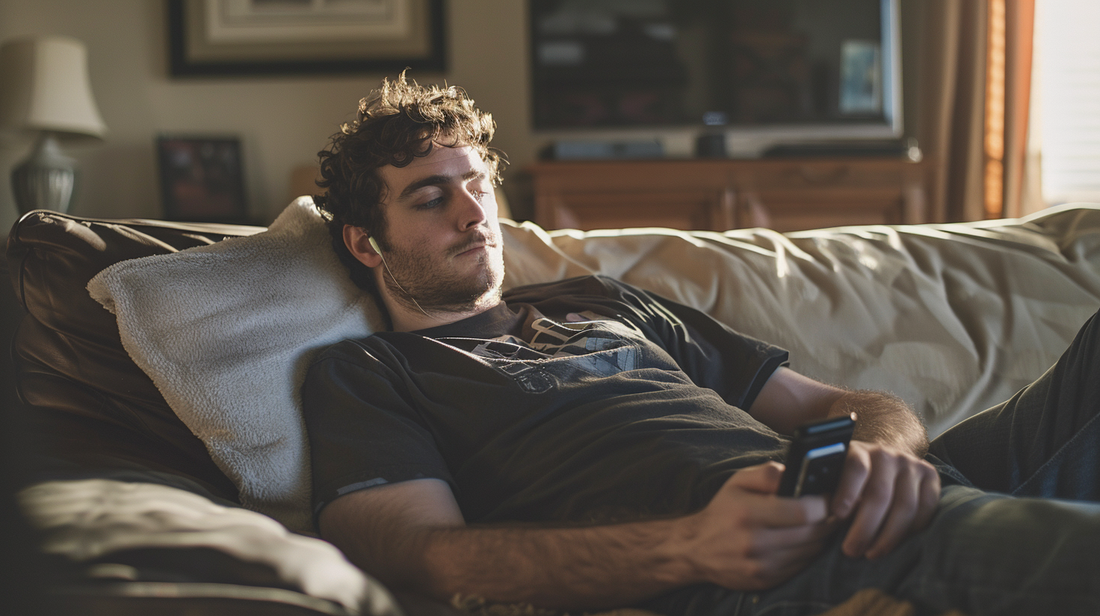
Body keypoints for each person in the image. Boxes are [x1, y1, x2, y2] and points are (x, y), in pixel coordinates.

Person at [303, 73, 1100, 615]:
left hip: (864, 497)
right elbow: (426, 555)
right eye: (431, 199)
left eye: (477, 184)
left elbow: (848, 406)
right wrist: (688, 549)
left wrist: (881, 458)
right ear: (366, 243)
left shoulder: (598, 299)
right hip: (764, 566)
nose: (475, 214)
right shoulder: (369, 372)